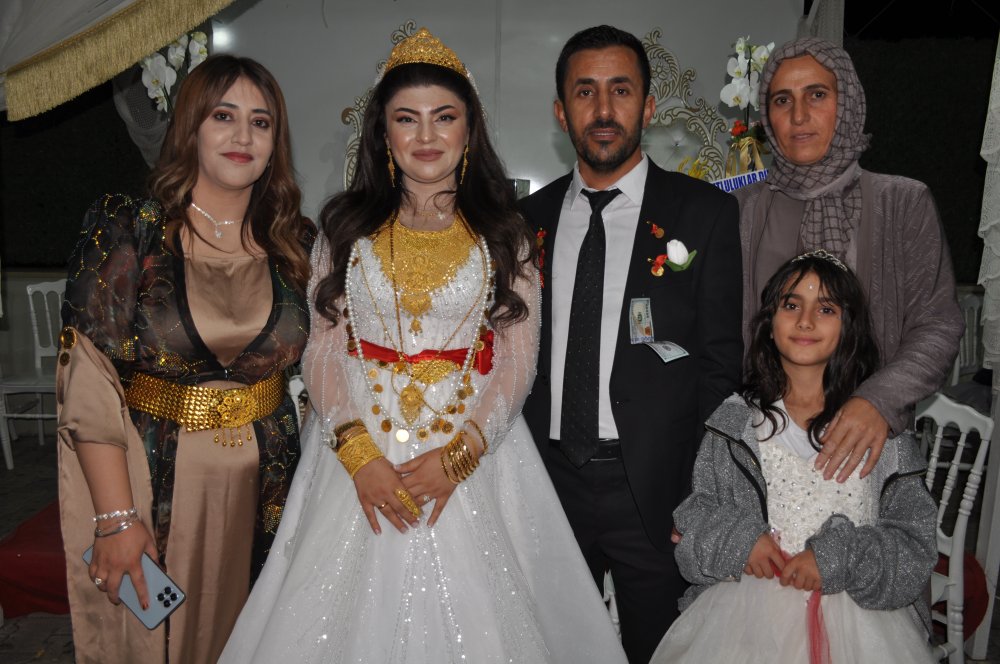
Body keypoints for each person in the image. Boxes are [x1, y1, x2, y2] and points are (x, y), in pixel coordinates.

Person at [218, 28, 627, 663]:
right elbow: (322, 350)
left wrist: (460, 457)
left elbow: (518, 361)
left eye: (445, 117)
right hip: (356, 448)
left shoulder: (506, 233)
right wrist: (358, 454)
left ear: (470, 129)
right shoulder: (344, 227)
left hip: (475, 446)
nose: (427, 135)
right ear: (383, 133)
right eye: (407, 119)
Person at [57, 55, 313, 664]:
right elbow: (88, 377)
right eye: (223, 116)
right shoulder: (131, 226)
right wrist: (117, 518)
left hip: (271, 483)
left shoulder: (294, 240)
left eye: (261, 122)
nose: (243, 135)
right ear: (190, 126)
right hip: (156, 476)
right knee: (161, 640)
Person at [519, 24, 743, 663]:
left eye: (620, 90)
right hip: (547, 482)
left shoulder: (703, 213)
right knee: (552, 648)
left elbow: (720, 364)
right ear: (561, 111)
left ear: (647, 107)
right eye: (584, 91)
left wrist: (701, 491)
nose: (603, 109)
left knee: (659, 650)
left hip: (654, 488)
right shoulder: (524, 223)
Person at [651, 251, 937, 663]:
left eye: (826, 308)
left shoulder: (881, 431)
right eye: (791, 305)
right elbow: (695, 517)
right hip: (744, 626)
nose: (805, 320)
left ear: (850, 326)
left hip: (859, 629)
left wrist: (837, 559)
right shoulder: (734, 424)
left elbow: (914, 543)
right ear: (770, 324)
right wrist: (739, 540)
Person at [737, 37, 963, 483]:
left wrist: (878, 399)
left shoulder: (903, 202)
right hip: (760, 449)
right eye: (782, 100)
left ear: (849, 103)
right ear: (767, 116)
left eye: (817, 95)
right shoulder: (741, 209)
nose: (798, 116)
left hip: (867, 447)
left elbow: (936, 324)